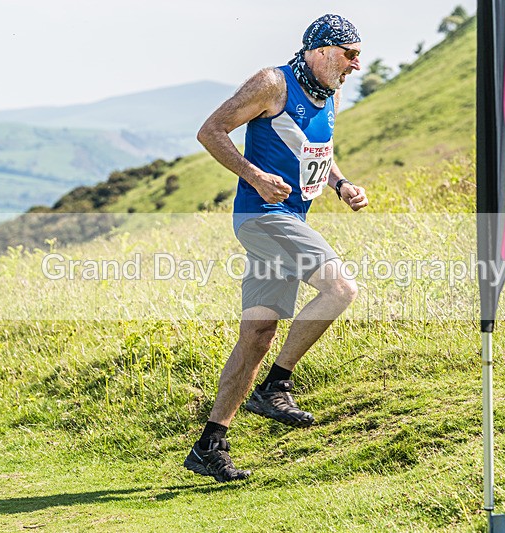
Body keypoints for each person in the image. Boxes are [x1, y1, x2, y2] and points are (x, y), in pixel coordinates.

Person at [184, 13, 369, 483]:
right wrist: (254, 176)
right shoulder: (272, 83)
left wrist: (341, 184)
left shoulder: (330, 93)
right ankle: (276, 385)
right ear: (323, 49)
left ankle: (210, 445)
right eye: (350, 55)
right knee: (341, 289)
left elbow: (314, 149)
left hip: (289, 219)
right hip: (262, 218)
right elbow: (211, 131)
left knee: (258, 333)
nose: (356, 66)